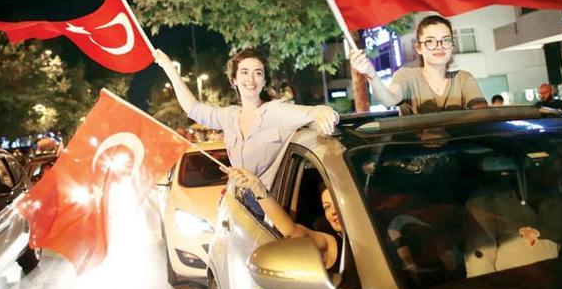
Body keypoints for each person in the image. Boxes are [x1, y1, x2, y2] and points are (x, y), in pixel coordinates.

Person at [155, 48, 338, 186]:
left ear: (264, 81)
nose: (250, 79)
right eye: (244, 72)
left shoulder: (276, 111)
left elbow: (316, 112)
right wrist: (168, 67)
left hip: (270, 210)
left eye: (258, 73)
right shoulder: (229, 116)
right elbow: (193, 109)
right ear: (234, 80)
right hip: (238, 203)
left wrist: (324, 113)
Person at [350, 15, 487, 113]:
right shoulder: (406, 76)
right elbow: (389, 99)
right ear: (418, 48)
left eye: (446, 40)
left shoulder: (463, 79)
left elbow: (482, 115)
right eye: (430, 41)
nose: (439, 46)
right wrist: (371, 74)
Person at [226, 166, 341, 269]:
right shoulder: (334, 244)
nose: (333, 212)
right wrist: (256, 187)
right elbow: (291, 231)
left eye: (337, 204)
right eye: (327, 207)